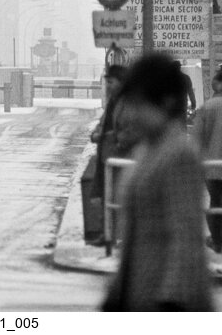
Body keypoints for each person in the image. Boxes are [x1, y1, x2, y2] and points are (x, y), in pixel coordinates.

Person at [102, 53, 213, 312]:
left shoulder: (179, 154)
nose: (132, 115)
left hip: (167, 299)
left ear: (166, 102)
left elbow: (184, 236)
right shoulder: (146, 151)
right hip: (138, 293)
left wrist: (170, 303)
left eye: (140, 105)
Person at [87, 65, 127, 246]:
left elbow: (128, 129)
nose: (108, 86)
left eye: (111, 82)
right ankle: (108, 234)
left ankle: (118, 236)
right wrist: (97, 133)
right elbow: (104, 123)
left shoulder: (127, 102)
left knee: (118, 197)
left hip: (121, 158)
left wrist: (110, 138)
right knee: (106, 196)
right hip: (107, 156)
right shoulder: (114, 101)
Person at [192, 68, 222, 253]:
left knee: (216, 203)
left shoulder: (208, 107)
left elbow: (196, 141)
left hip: (212, 169)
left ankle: (218, 241)